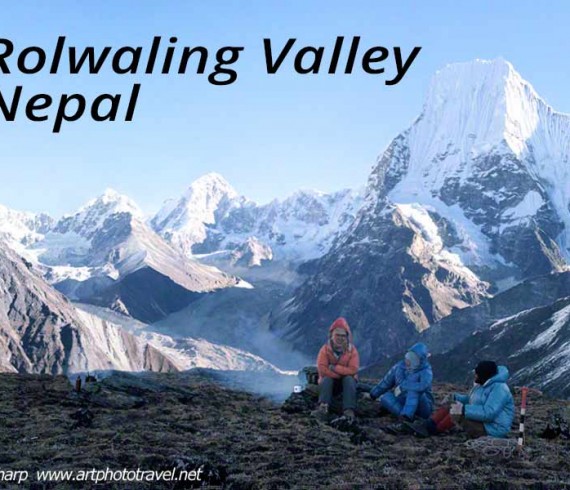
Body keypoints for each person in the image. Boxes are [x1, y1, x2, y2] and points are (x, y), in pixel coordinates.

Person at [407, 361, 515, 438]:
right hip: (485, 423)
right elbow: (471, 400)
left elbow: (489, 413)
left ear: (484, 376)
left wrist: (463, 409)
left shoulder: (499, 389)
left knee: (457, 413)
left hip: (493, 429)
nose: (475, 376)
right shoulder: (482, 384)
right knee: (452, 404)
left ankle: (433, 430)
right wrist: (456, 397)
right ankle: (428, 424)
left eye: (477, 374)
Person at [369, 343, 434, 421]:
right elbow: (386, 382)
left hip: (423, 407)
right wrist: (374, 394)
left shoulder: (425, 371)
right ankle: (406, 418)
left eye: (412, 358)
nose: (408, 360)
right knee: (385, 397)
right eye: (408, 356)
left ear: (420, 360)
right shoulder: (399, 367)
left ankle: (407, 416)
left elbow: (423, 386)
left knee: (414, 390)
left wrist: (404, 386)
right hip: (403, 400)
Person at [313, 317, 360, 420]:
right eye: (337, 335)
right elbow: (322, 369)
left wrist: (334, 368)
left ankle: (348, 411)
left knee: (349, 379)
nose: (340, 338)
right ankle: (323, 407)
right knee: (327, 379)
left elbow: (353, 370)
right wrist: (340, 375)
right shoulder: (325, 350)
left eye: (343, 335)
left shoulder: (352, 351)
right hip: (330, 383)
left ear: (347, 337)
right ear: (332, 336)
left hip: (347, 384)